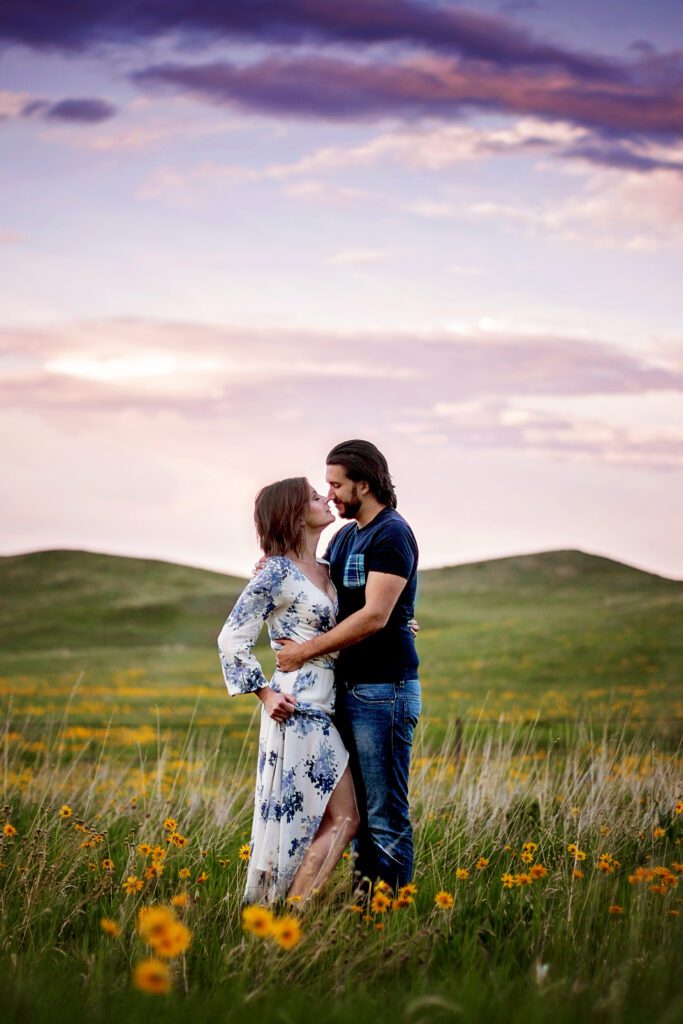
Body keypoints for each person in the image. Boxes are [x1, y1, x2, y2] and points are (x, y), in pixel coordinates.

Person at [275, 440, 420, 892]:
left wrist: (304, 651)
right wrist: (273, 560)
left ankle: (389, 914)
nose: (330, 493)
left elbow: (375, 615)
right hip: (347, 689)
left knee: (384, 814)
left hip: (384, 690)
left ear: (364, 481)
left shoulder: (392, 533)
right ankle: (364, 913)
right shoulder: (344, 537)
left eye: (336, 484)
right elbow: (317, 585)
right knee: (354, 814)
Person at [217, 477, 359, 904]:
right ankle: (290, 921)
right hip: (296, 708)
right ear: (296, 515)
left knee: (315, 820)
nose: (327, 498)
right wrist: (265, 693)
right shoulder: (277, 571)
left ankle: (282, 914)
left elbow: (345, 627)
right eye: (316, 497)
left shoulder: (328, 569)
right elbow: (231, 638)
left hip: (326, 705)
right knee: (344, 818)